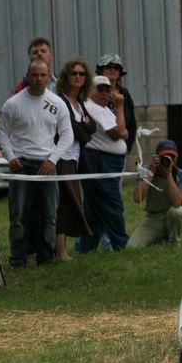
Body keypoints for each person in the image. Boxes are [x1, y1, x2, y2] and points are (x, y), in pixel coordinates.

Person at [0, 60, 74, 268]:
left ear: (49, 77)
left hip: (47, 166)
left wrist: (52, 160)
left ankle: (46, 257)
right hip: (20, 164)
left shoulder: (57, 103)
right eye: (35, 75)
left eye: (43, 75)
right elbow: (1, 132)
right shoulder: (13, 103)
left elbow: (67, 135)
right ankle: (18, 259)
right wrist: (10, 157)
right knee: (19, 214)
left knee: (49, 214)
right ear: (28, 76)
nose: (39, 79)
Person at [78, 75, 129, 253]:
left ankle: (85, 248)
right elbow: (119, 132)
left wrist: (118, 116)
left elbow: (126, 133)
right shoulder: (93, 108)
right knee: (112, 203)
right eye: (100, 89)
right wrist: (120, 106)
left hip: (107, 160)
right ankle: (121, 244)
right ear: (90, 90)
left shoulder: (104, 109)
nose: (105, 93)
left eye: (108, 89)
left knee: (94, 207)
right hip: (100, 161)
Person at [54, 59, 95, 261]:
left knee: (72, 202)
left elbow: (92, 128)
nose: (78, 77)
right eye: (74, 73)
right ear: (66, 77)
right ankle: (60, 252)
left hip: (75, 160)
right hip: (60, 158)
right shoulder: (60, 101)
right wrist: (85, 130)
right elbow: (76, 131)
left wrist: (85, 130)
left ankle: (63, 250)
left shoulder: (79, 104)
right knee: (63, 202)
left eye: (81, 74)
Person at [128, 140, 182, 248]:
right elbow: (137, 198)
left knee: (177, 212)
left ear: (176, 158)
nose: (168, 159)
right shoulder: (146, 171)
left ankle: (173, 242)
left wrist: (169, 175)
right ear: (157, 157)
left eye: (172, 156)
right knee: (132, 247)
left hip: (177, 217)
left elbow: (177, 203)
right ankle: (161, 238)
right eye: (165, 157)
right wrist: (151, 173)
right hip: (154, 218)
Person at [96, 54, 138, 154]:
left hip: (120, 150)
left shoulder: (125, 93)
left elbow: (132, 124)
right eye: (108, 67)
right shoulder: (93, 92)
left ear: (120, 72)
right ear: (101, 70)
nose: (112, 70)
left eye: (116, 67)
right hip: (98, 148)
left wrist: (127, 146)